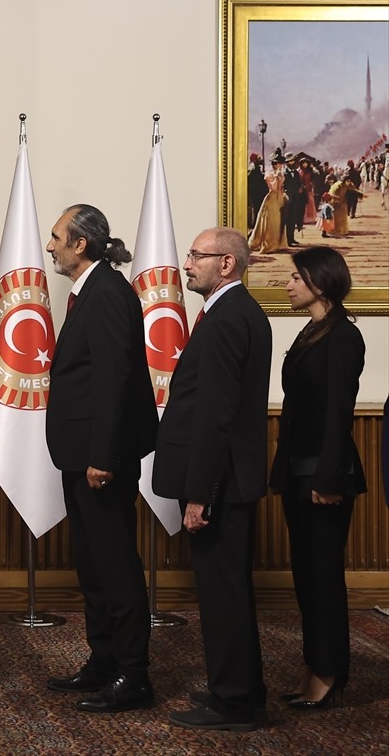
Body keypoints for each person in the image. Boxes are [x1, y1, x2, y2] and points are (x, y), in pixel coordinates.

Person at [153, 227, 272, 732]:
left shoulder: (228, 319)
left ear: (227, 264)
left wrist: (200, 496)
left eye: (198, 256)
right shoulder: (233, 312)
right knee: (226, 593)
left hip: (219, 485)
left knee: (224, 595)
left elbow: (216, 416)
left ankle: (236, 701)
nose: (187, 264)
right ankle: (234, 689)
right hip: (228, 480)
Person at [43, 205, 158, 713]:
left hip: (100, 459)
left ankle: (132, 675)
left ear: (80, 245)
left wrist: (103, 456)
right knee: (91, 563)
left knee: (115, 566)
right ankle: (104, 661)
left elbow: (115, 381)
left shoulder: (109, 293)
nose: (50, 247)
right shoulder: (90, 290)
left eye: (56, 238)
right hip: (81, 456)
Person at [271, 247, 366, 710]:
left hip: (325, 478)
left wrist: (327, 479)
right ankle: (316, 665)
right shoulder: (312, 331)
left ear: (321, 282)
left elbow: (338, 416)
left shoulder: (343, 337)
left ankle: (329, 674)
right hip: (297, 473)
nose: (287, 284)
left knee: (323, 578)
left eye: (295, 277)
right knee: (307, 577)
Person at [248, 154, 287, 253]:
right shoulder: (269, 174)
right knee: (270, 221)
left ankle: (279, 244)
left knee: (279, 220)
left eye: (280, 163)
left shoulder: (281, 174)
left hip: (279, 198)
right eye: (278, 163)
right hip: (272, 197)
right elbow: (273, 187)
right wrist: (277, 178)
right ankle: (268, 244)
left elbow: (282, 185)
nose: (279, 165)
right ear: (274, 164)